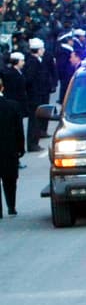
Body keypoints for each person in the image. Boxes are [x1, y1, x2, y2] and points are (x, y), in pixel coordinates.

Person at [0, 79, 22, 216]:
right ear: (2, 88)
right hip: (9, 149)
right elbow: (19, 130)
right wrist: (20, 148)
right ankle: (11, 206)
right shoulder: (12, 106)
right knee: (10, 180)